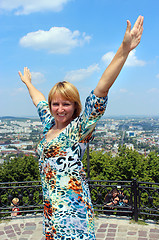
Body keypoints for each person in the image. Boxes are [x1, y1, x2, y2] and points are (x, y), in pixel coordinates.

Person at [18, 16, 144, 240]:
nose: (60, 108)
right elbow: (38, 101)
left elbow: (100, 91)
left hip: (73, 211)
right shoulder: (49, 124)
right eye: (55, 103)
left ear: (75, 105)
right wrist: (29, 83)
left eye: (66, 103)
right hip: (51, 209)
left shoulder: (78, 129)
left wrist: (124, 50)